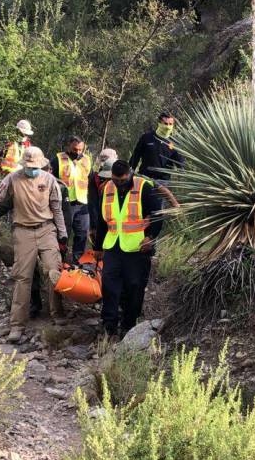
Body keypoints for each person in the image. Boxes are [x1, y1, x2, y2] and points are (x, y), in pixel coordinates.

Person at [0, 146, 68, 342]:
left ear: (41, 165)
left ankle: (57, 315)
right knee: (22, 278)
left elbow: (57, 209)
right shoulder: (12, 179)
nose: (31, 169)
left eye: (35, 166)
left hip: (46, 229)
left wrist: (62, 235)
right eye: (28, 166)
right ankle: (17, 324)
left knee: (53, 272)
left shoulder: (49, 180)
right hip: (23, 231)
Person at [92, 160, 164, 339]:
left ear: (130, 174)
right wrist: (98, 247)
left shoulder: (144, 187)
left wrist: (151, 236)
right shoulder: (108, 188)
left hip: (137, 248)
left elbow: (157, 215)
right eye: (116, 180)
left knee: (134, 287)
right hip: (113, 246)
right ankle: (109, 324)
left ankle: (129, 324)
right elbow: (102, 221)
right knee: (109, 285)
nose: (119, 184)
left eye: (123, 181)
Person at [49, 136, 92, 263]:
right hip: (65, 203)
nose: (78, 152)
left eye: (80, 150)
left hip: (82, 203)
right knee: (63, 234)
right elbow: (50, 179)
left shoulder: (87, 160)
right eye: (75, 149)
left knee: (82, 234)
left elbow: (89, 179)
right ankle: (59, 261)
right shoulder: (58, 159)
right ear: (68, 146)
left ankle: (77, 262)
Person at [129, 112, 184, 183]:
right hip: (145, 178)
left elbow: (179, 161)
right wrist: (130, 170)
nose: (168, 127)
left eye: (170, 124)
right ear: (159, 123)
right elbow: (136, 155)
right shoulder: (146, 137)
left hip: (163, 181)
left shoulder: (175, 142)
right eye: (165, 123)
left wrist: (182, 172)